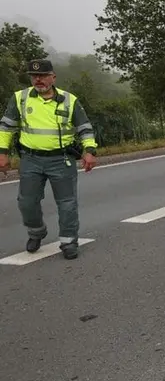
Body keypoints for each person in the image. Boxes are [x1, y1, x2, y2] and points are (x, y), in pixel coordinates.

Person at [0, 59, 98, 259]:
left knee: (67, 203)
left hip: (61, 160)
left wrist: (90, 151)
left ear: (53, 77)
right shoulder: (21, 98)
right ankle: (36, 232)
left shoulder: (70, 100)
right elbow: (6, 127)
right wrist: (2, 153)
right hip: (30, 159)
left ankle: (69, 241)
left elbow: (85, 129)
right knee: (26, 202)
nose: (38, 79)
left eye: (43, 75)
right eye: (34, 76)